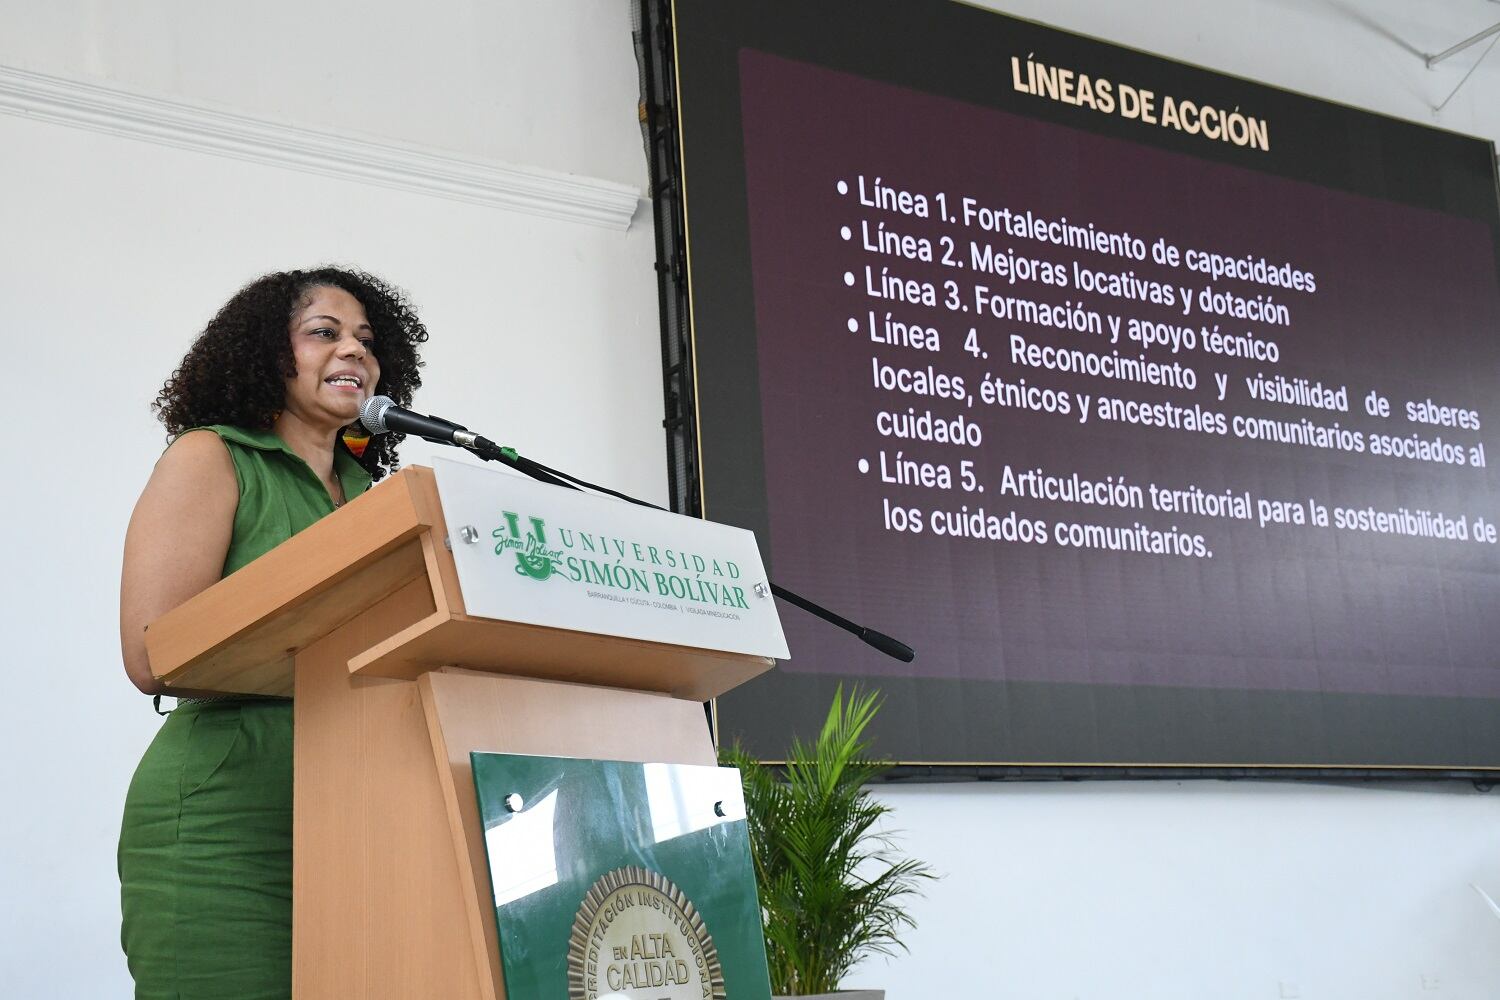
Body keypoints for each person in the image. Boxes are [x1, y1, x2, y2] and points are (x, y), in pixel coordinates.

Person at [117, 266, 429, 999]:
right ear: (265, 354)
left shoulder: (371, 495)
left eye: (367, 340)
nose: (354, 351)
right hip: (225, 821)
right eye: (324, 333)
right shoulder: (211, 455)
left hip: (351, 810)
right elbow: (151, 652)